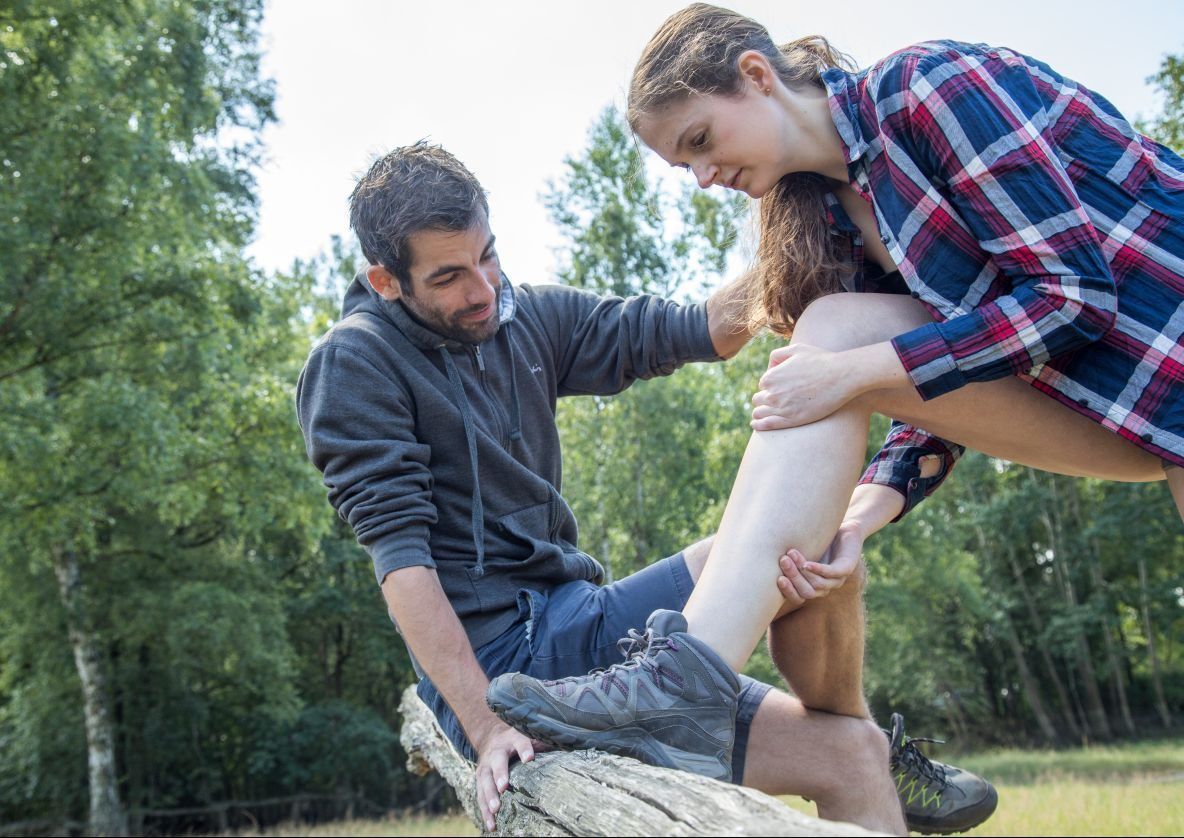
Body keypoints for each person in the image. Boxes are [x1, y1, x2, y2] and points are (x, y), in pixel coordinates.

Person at [487, 0, 1183, 830]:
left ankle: (683, 680)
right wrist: (855, 523)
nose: (704, 177)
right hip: (1110, 405)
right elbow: (940, 382)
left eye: (702, 141)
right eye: (684, 167)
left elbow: (1074, 295)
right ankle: (688, 675)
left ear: (756, 76)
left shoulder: (930, 88)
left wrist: (855, 370)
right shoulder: (835, 217)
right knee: (833, 333)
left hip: (1155, 361)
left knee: (840, 346)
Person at [294, 141, 993, 837]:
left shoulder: (521, 316)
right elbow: (403, 568)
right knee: (812, 634)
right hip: (511, 671)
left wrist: (817, 244)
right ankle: (873, 745)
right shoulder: (355, 364)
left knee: (842, 698)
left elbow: (697, 329)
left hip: (588, 624)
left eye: (488, 255)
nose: (482, 288)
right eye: (449, 276)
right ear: (387, 282)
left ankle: (874, 743)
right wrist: (483, 725)